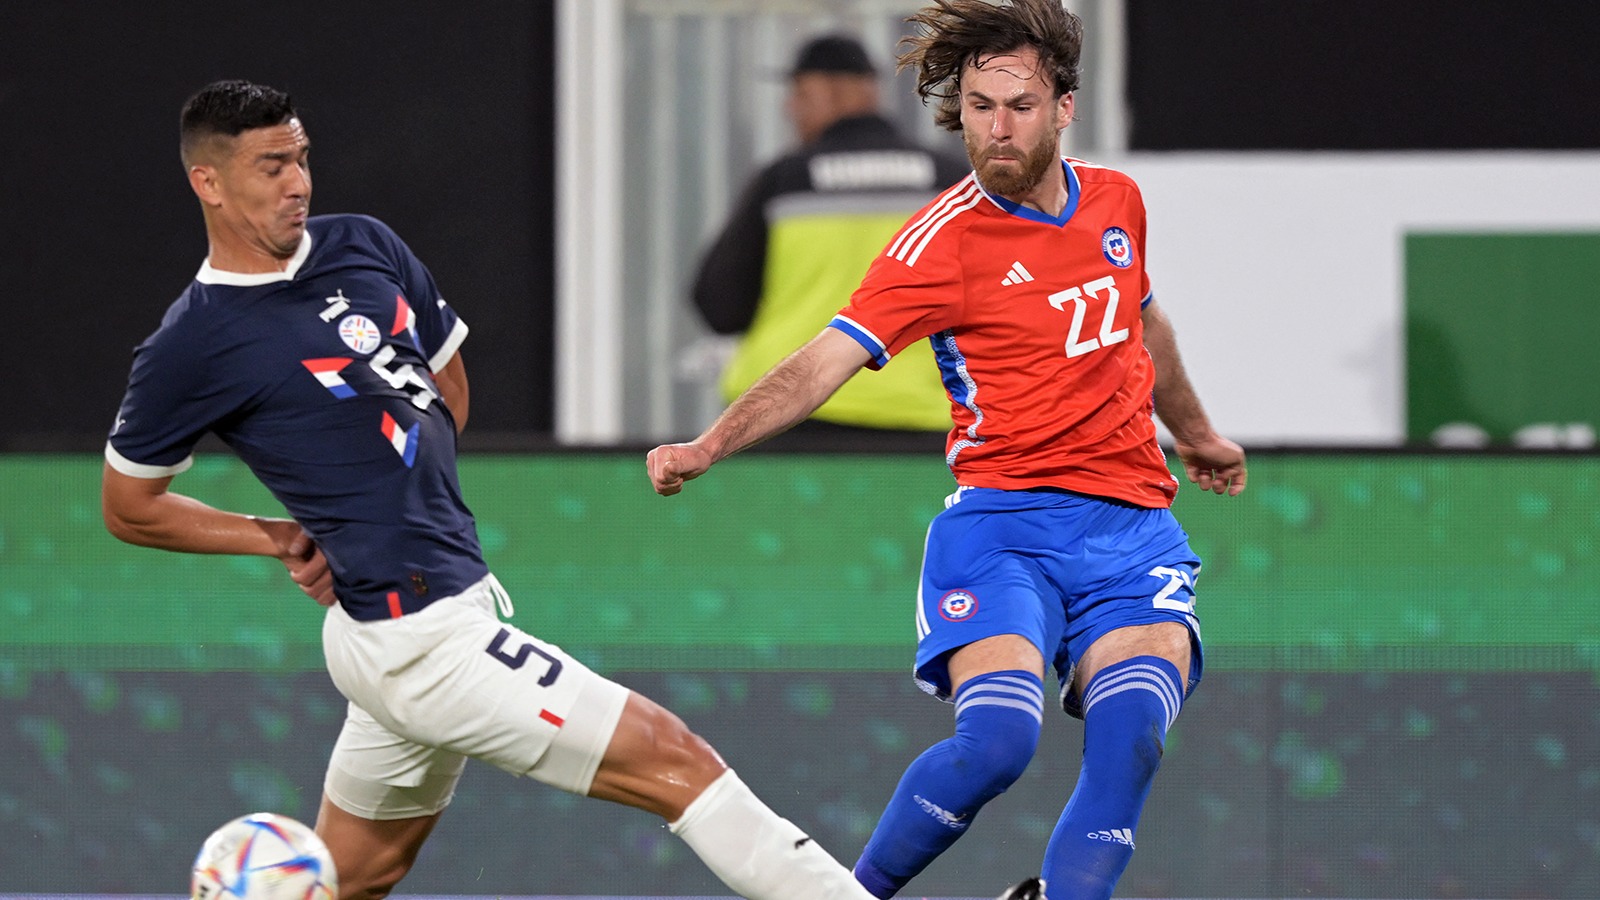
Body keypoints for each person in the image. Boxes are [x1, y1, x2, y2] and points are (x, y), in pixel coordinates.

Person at [101, 79, 920, 900]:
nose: (298, 183)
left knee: (357, 874)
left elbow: (444, 391)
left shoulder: (362, 244)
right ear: (208, 182)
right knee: (676, 762)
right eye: (271, 166)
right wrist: (280, 535)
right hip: (416, 642)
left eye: (302, 158)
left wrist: (388, 511)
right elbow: (130, 506)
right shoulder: (193, 343)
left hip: (417, 613)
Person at [648, 1, 1248, 898]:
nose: (997, 129)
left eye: (1020, 106)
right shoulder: (940, 243)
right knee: (998, 745)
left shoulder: (1117, 201)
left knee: (1131, 738)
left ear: (1064, 109)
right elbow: (824, 361)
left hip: (1131, 533)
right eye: (978, 107)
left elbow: (1144, 322)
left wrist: (1195, 434)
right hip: (1003, 529)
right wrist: (710, 443)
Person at [692, 33, 968, 445]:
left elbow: (719, 306)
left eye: (800, 94)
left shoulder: (785, 181)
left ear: (834, 91)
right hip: (919, 417)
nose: (789, 108)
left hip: (791, 414)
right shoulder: (950, 182)